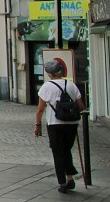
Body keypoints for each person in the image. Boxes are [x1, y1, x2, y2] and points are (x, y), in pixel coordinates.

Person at [35, 59, 85, 193]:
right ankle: (69, 177)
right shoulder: (71, 85)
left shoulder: (46, 86)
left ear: (49, 74)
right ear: (60, 71)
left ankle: (62, 182)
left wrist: (38, 125)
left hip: (55, 124)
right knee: (66, 150)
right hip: (72, 124)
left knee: (58, 152)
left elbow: (40, 109)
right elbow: (81, 107)